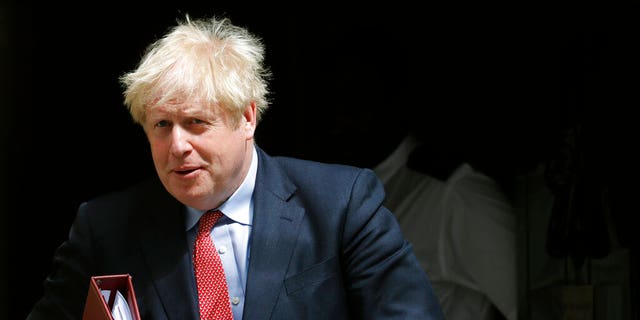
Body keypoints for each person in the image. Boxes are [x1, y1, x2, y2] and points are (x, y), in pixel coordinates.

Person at [26, 14, 444, 319]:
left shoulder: (340, 205)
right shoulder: (106, 227)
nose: (177, 145)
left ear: (247, 118)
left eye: (196, 123)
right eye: (161, 126)